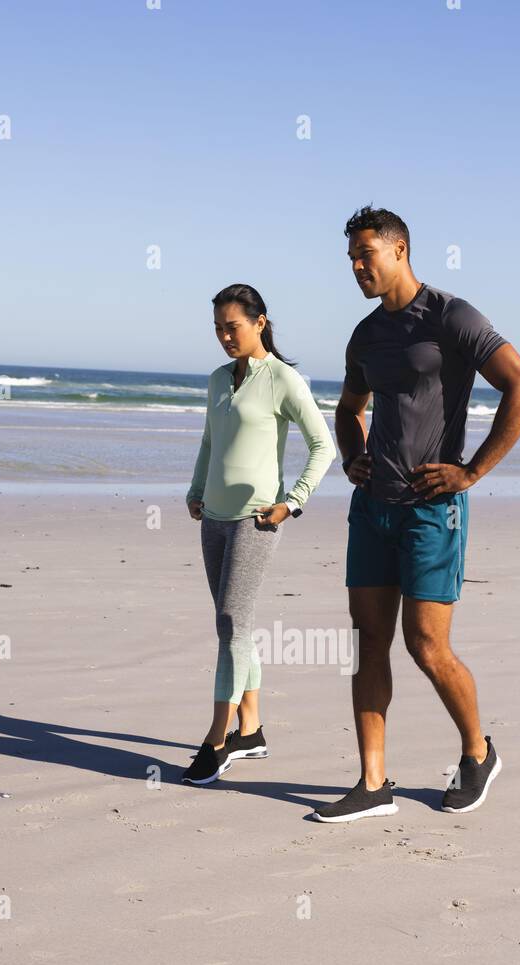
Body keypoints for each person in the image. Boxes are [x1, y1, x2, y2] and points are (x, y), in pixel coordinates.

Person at [312, 206, 520, 823]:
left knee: (426, 645)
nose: (358, 267)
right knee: (370, 644)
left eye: (367, 254)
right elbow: (348, 406)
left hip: (431, 511)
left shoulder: (451, 316)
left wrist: (471, 472)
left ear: (400, 250)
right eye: (352, 258)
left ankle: (478, 751)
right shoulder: (365, 334)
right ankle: (373, 782)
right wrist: (353, 456)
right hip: (374, 509)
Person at [183, 284, 335, 785]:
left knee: (231, 622)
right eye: (219, 329)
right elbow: (211, 438)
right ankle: (252, 729)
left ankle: (217, 739)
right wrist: (196, 488)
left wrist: (292, 502)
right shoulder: (217, 380)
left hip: (256, 520)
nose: (226, 337)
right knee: (234, 626)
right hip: (214, 519)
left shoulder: (285, 381)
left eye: (234, 327)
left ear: (260, 322)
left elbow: (323, 446)